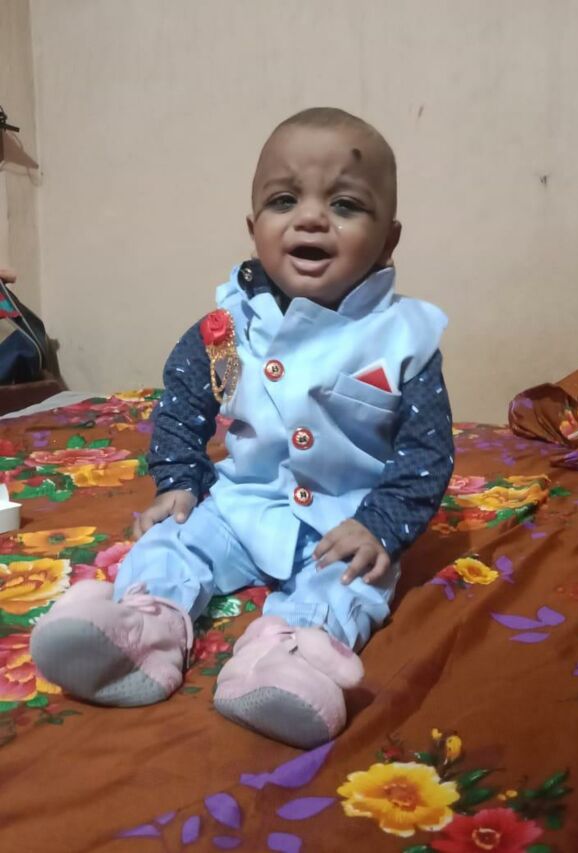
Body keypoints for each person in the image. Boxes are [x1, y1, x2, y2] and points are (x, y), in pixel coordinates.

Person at [31, 107, 454, 749]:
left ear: (388, 240)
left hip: (344, 520)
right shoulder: (230, 328)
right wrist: (178, 481)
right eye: (285, 200)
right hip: (239, 504)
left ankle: (284, 658)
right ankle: (144, 628)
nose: (310, 218)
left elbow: (426, 452)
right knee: (175, 540)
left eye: (344, 204)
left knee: (348, 585)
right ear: (254, 229)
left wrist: (382, 525)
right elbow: (183, 402)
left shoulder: (403, 339)